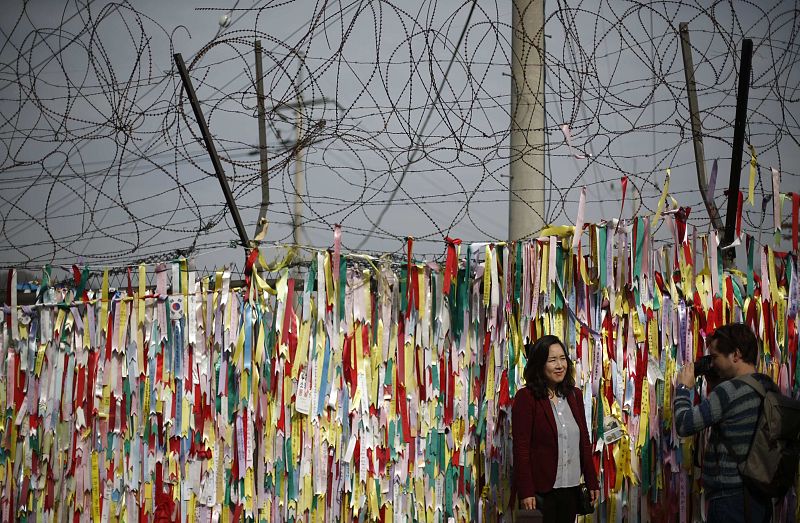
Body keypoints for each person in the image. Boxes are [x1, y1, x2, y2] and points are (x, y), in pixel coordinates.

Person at [674, 323, 773, 523]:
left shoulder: (729, 391)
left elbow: (684, 425)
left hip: (729, 501)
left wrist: (684, 388)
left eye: (715, 356)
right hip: (761, 498)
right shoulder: (768, 387)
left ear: (735, 354)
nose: (713, 363)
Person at [512, 334, 600, 523]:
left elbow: (583, 441)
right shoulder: (526, 398)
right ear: (539, 364)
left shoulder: (574, 395)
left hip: (570, 490)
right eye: (552, 360)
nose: (560, 365)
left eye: (562, 359)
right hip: (540, 493)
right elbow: (521, 449)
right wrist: (526, 491)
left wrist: (592, 481)